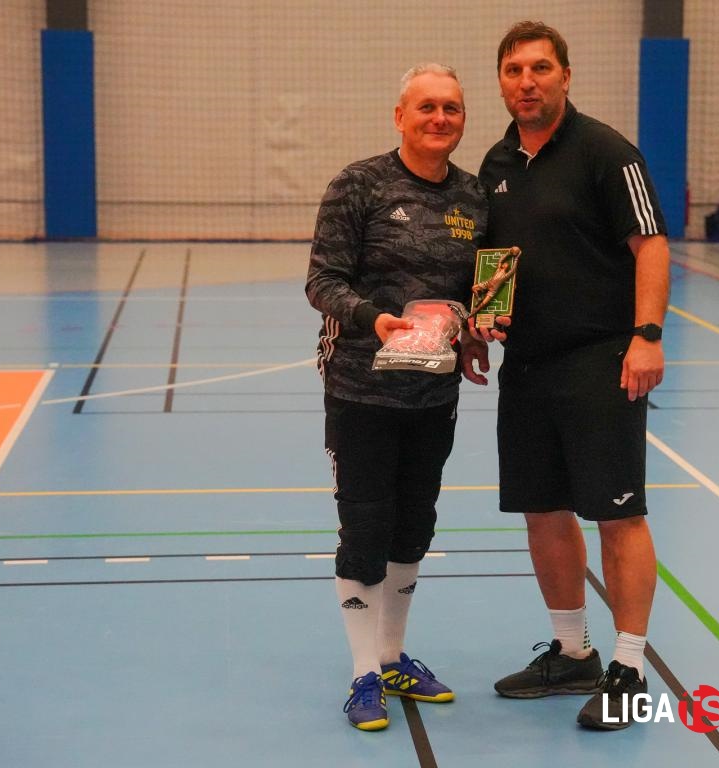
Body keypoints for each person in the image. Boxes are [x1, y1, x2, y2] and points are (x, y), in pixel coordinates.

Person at [476, 21, 671, 730]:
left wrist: (646, 337)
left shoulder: (607, 152)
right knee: (543, 509)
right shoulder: (497, 161)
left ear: (565, 74)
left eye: (539, 68)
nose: (526, 82)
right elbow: (496, 257)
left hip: (602, 361)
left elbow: (651, 245)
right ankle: (572, 652)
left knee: (618, 513)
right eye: (514, 70)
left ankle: (629, 666)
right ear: (502, 81)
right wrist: (482, 322)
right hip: (526, 366)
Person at [305, 63, 490, 731]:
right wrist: (371, 319)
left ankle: (390, 657)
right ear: (400, 116)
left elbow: (479, 290)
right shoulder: (359, 184)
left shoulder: (473, 197)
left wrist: (476, 331)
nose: (439, 118)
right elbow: (322, 281)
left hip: (433, 395)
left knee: (414, 527)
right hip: (360, 390)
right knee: (365, 530)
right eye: (426, 107)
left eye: (451, 108)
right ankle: (363, 674)